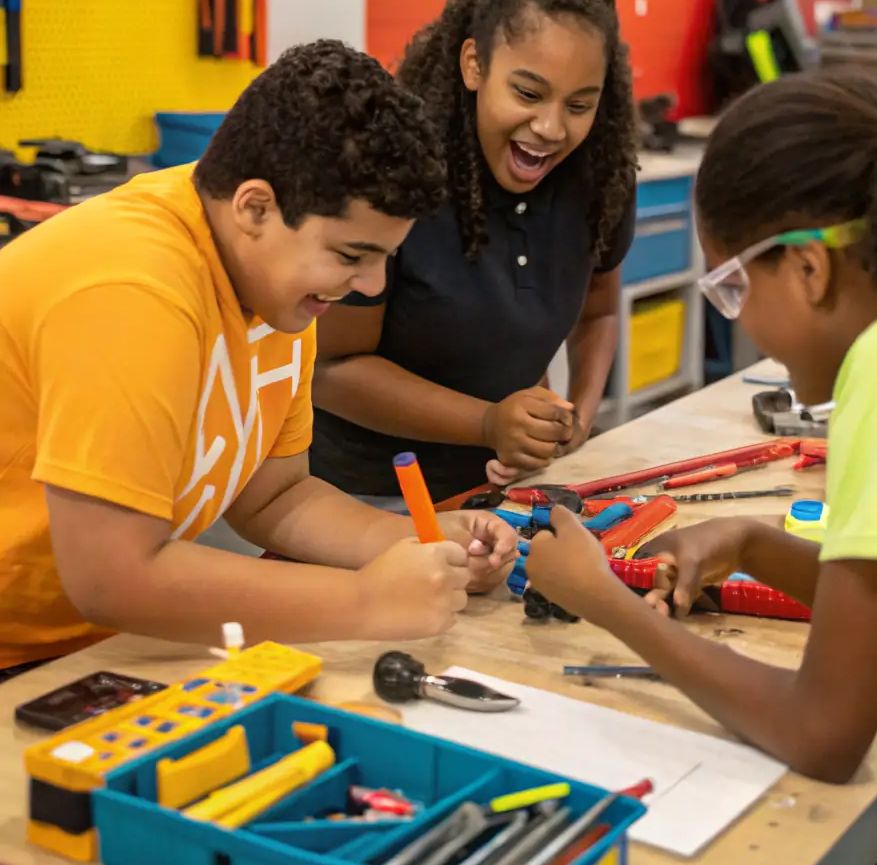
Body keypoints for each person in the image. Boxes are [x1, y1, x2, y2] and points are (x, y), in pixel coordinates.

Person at [525, 72, 877, 865]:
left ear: (809, 265)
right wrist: (754, 541)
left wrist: (607, 604)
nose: (740, 320)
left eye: (729, 286)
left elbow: (827, 732)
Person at [0, 40, 517, 678]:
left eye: (386, 257)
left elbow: (275, 497)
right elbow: (112, 577)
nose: (374, 286)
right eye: (353, 255)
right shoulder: (134, 291)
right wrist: (362, 602)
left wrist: (421, 543)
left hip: (91, 645)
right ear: (255, 208)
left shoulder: (275, 282)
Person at [311, 0, 638, 505]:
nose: (552, 128)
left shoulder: (600, 179)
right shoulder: (395, 177)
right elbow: (333, 368)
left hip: (504, 489)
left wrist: (577, 419)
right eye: (528, 92)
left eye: (580, 104)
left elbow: (600, 310)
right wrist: (489, 422)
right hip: (366, 495)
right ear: (474, 65)